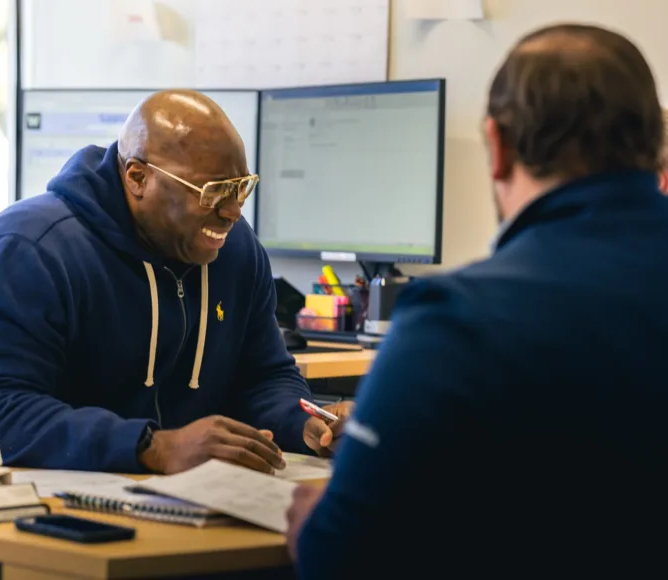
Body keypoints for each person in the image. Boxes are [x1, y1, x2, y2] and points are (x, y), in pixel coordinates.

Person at [286, 23, 668, 576]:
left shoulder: (456, 319)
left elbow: (342, 552)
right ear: (655, 144)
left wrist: (319, 526)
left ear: (498, 147)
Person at [0, 90, 351, 473]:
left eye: (241, 187)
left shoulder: (236, 250)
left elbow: (264, 377)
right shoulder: (31, 248)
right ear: (137, 178)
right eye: (212, 192)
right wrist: (153, 447)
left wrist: (309, 423)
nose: (232, 212)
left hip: (171, 496)